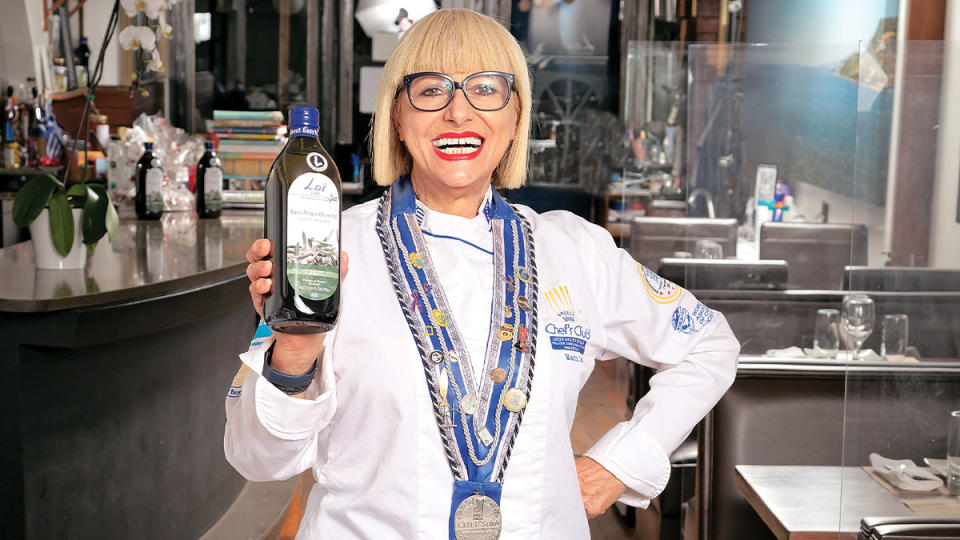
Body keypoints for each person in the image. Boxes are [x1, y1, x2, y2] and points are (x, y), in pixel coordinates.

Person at [226, 8, 739, 539]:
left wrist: (622, 463)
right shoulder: (327, 250)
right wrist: (292, 354)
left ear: (516, 116)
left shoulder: (573, 250)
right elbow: (257, 460)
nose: (458, 112)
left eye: (487, 89)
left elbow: (709, 345)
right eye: (431, 90)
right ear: (397, 116)